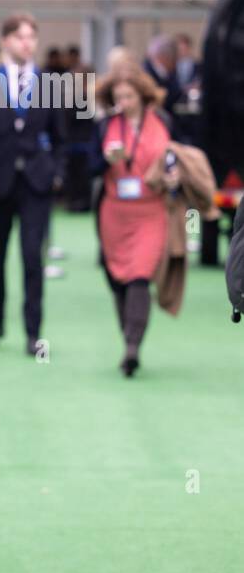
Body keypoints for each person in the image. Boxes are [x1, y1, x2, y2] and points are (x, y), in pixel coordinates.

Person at [0, 12, 66, 354]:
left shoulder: (51, 83)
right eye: (21, 37)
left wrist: (56, 172)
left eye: (32, 38)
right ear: (7, 40)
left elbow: (62, 136)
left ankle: (33, 333)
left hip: (36, 182)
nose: (28, 43)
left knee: (32, 258)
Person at [94, 68, 174, 376]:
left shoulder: (164, 123)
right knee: (118, 280)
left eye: (128, 96)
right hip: (114, 212)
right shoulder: (106, 126)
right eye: (118, 98)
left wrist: (174, 177)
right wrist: (106, 160)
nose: (123, 102)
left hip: (151, 210)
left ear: (142, 95)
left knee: (140, 274)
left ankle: (132, 347)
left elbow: (176, 156)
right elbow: (88, 167)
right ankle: (128, 337)